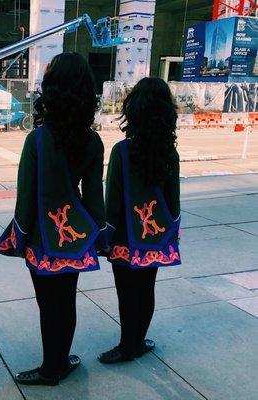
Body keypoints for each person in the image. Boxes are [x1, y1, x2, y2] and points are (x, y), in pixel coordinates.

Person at [0, 52, 107, 385]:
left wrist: (18, 237)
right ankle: (60, 362)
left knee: (48, 306)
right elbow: (93, 198)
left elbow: (25, 199)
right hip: (74, 237)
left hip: (43, 239)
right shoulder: (93, 141)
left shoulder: (37, 140)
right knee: (67, 302)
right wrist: (100, 236)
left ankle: (49, 369)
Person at [98, 77, 182, 364]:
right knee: (146, 290)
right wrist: (172, 235)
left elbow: (113, 202)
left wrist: (105, 239)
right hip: (155, 237)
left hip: (124, 237)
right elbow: (174, 202)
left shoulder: (122, 150)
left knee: (126, 293)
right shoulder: (170, 152)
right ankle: (138, 341)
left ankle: (126, 345)